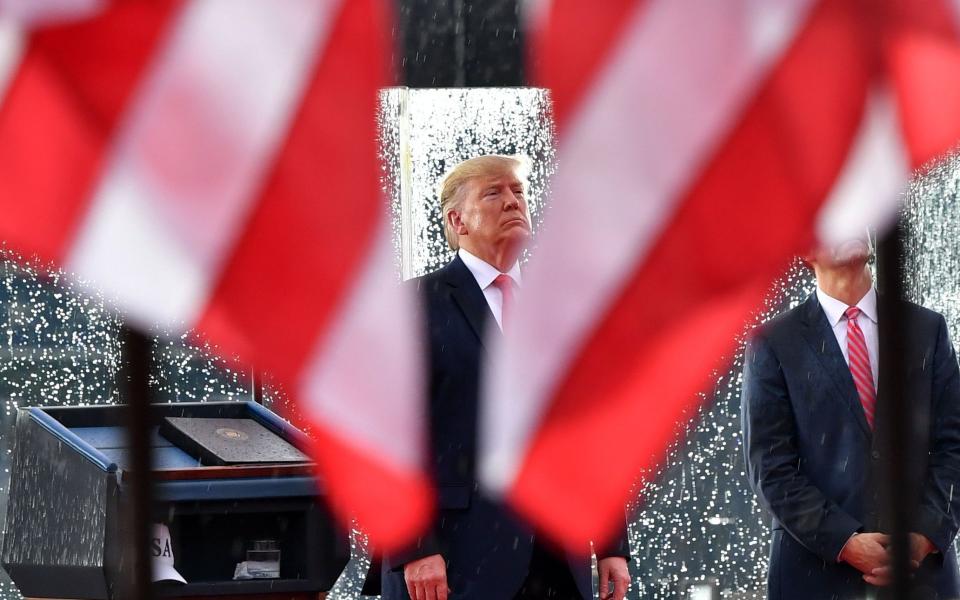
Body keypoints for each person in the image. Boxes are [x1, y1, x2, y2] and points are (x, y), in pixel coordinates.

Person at [380, 154, 632, 600]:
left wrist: (612, 543)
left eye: (518, 191)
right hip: (453, 559)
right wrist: (414, 547)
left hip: (558, 560)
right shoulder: (414, 304)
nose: (513, 201)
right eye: (494, 193)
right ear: (458, 220)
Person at [740, 235, 960, 599]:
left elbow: (954, 445)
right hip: (814, 574)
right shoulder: (774, 342)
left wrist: (924, 536)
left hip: (921, 576)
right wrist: (843, 540)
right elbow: (769, 466)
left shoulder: (926, 329)